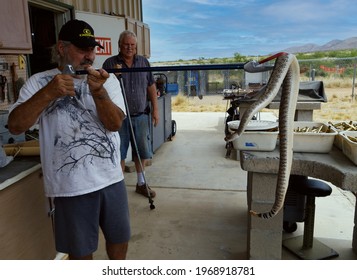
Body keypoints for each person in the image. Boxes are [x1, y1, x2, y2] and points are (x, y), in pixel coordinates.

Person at [7, 19, 130, 260]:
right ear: (62, 48)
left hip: (111, 178)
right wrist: (48, 93)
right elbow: (15, 125)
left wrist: (99, 93)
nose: (90, 56)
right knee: (81, 254)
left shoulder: (107, 81)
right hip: (71, 187)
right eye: (82, 49)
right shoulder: (39, 82)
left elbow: (115, 124)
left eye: (92, 49)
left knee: (120, 240)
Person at [103, 30, 158, 199]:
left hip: (140, 115)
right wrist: (113, 76)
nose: (129, 47)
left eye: (132, 45)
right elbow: (101, 89)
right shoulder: (110, 63)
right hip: (119, 118)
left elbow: (151, 86)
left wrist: (155, 109)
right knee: (118, 152)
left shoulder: (143, 62)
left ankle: (141, 183)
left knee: (141, 152)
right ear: (120, 45)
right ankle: (118, 189)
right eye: (126, 44)